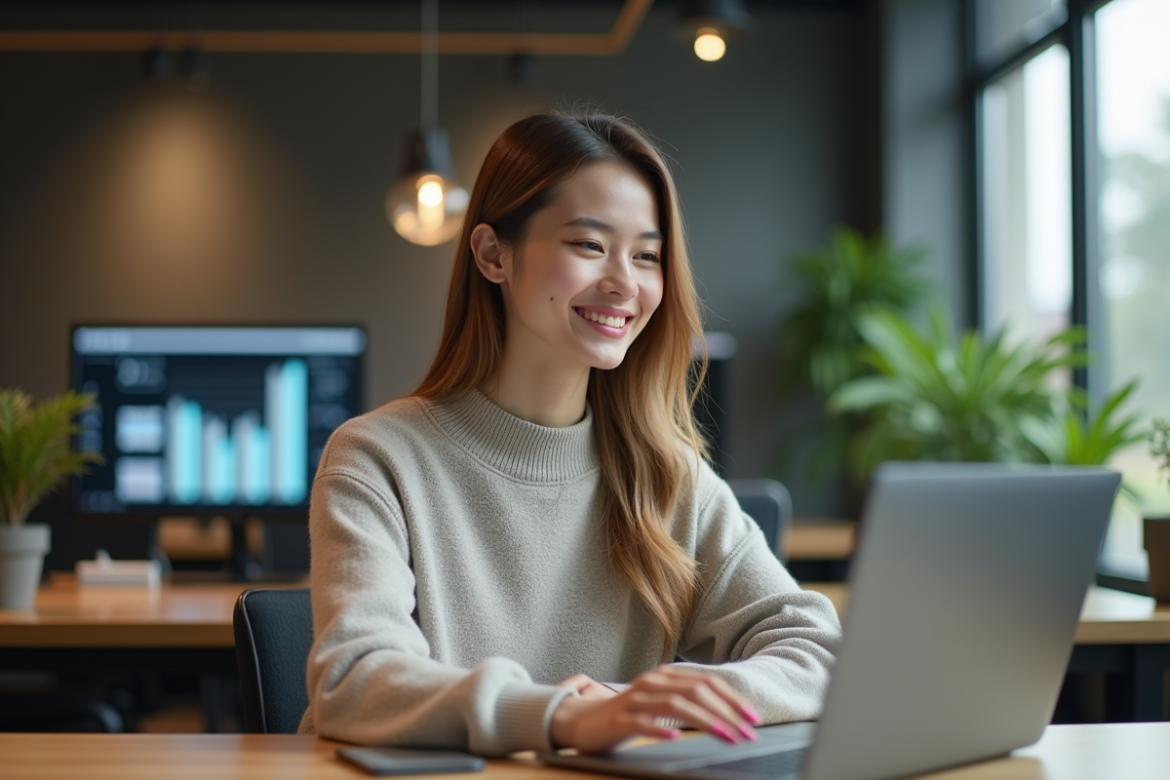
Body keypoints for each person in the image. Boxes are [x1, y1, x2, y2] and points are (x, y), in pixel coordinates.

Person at [300, 110, 841, 756]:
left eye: (647, 256)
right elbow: (355, 680)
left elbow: (817, 649)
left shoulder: (666, 474)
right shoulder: (376, 458)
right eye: (589, 246)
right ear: (492, 255)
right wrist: (562, 715)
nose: (624, 283)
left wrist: (678, 700)